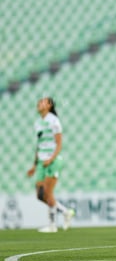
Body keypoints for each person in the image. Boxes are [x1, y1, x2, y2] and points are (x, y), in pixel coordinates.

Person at [27, 97, 75, 233]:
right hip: (42, 161)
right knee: (40, 195)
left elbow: (59, 143)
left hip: (53, 160)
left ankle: (52, 225)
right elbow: (39, 145)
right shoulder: (37, 123)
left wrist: (51, 158)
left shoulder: (54, 121)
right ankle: (66, 212)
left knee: (48, 193)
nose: (39, 103)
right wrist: (34, 165)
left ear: (49, 106)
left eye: (43, 101)